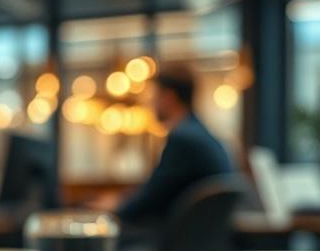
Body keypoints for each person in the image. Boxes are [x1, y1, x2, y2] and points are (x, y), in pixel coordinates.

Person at [88, 63, 233, 222]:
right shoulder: (200, 133)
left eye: (154, 96)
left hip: (178, 232)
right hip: (202, 230)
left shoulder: (183, 139)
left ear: (169, 97)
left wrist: (115, 209)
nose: (151, 103)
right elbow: (161, 187)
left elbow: (153, 196)